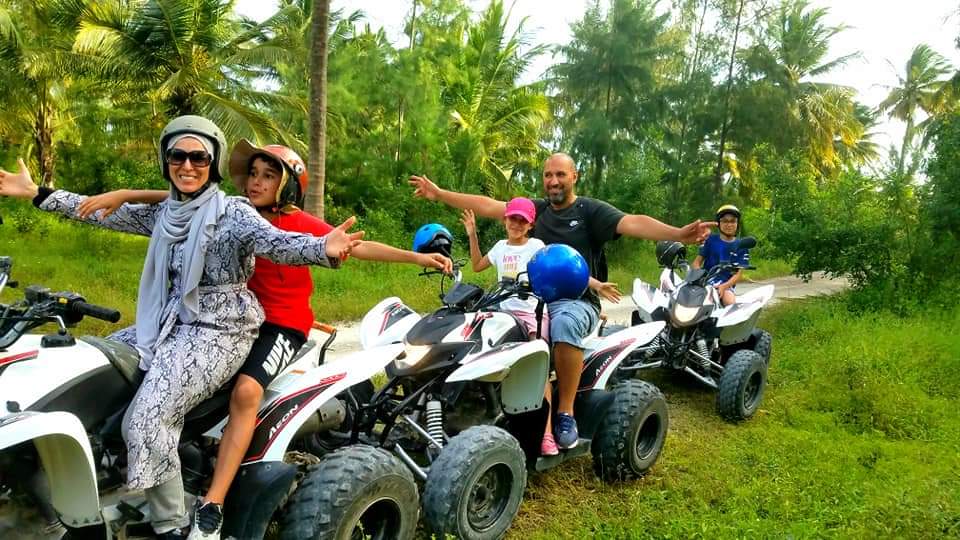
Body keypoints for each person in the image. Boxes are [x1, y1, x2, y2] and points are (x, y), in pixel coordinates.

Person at [0, 116, 363, 539]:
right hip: (167, 320)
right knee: (90, 365)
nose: (187, 165)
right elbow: (101, 213)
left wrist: (323, 247)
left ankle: (171, 524)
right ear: (166, 160)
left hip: (221, 328)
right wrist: (37, 193)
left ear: (213, 162)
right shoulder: (167, 212)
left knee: (147, 419)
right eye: (178, 155)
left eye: (198, 157)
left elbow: (279, 243)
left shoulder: (235, 213)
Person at [76, 139, 453, 540]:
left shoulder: (297, 222)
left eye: (269, 176)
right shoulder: (229, 211)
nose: (256, 182)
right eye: (253, 174)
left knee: (245, 393)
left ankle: (213, 503)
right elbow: (181, 197)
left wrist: (417, 257)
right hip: (227, 322)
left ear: (287, 187)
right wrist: (124, 194)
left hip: (282, 325)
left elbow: (358, 247)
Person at [410, 152, 713, 449]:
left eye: (560, 175)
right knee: (477, 321)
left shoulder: (590, 211)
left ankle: (565, 413)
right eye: (548, 175)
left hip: (576, 300)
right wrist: (439, 194)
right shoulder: (537, 211)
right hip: (529, 299)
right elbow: (489, 205)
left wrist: (677, 233)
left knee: (564, 324)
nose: (553, 181)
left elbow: (633, 222)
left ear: (574, 177)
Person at [461, 198, 563, 455]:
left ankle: (546, 433)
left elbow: (554, 269)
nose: (516, 224)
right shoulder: (499, 247)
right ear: (504, 220)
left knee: (537, 365)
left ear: (530, 225)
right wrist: (472, 234)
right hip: (501, 312)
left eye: (522, 220)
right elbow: (477, 265)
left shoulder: (536, 246)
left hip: (530, 312)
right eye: (512, 218)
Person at [692, 204, 749, 306]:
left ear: (737, 224)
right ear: (718, 223)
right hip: (705, 281)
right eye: (725, 221)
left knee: (729, 302)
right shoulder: (710, 240)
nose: (729, 224)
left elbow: (738, 274)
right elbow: (696, 263)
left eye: (733, 221)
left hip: (725, 285)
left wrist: (724, 286)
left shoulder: (741, 246)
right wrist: (699, 276)